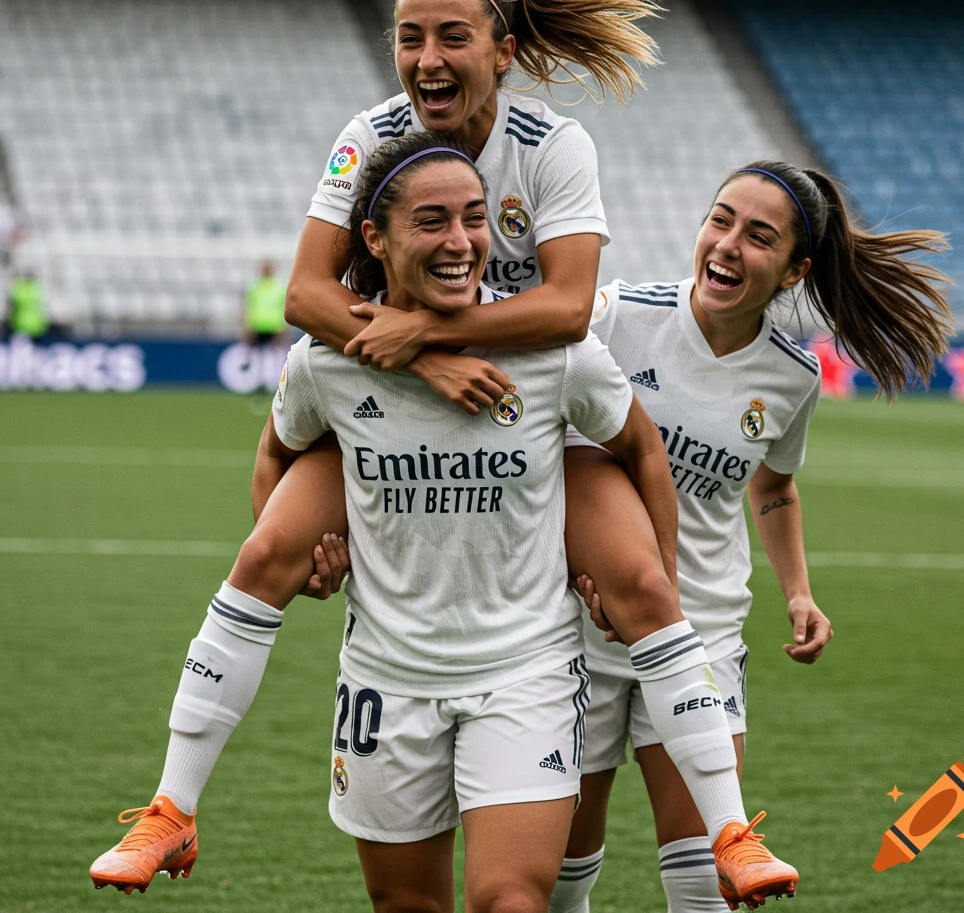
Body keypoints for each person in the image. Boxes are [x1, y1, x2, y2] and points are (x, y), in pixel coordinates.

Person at [89, 0, 796, 908]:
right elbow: (303, 293)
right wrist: (421, 364)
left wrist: (432, 341)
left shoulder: (553, 145)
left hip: (533, 405)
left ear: (501, 51)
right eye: (408, 37)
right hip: (393, 408)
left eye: (451, 37)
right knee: (263, 555)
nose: (425, 58)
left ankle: (727, 828)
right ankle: (169, 808)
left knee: (638, 577)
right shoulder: (369, 136)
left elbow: (563, 302)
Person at [98, 134, 660, 910]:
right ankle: (170, 807)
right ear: (375, 237)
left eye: (473, 218)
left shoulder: (554, 352)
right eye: (431, 221)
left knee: (510, 902)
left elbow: (639, 447)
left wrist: (653, 576)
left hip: (525, 672)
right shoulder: (326, 363)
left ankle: (730, 828)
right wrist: (317, 567)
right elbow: (274, 453)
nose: (461, 242)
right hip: (387, 682)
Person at [545, 160, 952, 913]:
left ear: (794, 271)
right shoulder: (617, 315)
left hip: (701, 629)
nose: (727, 245)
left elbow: (772, 487)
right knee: (566, 862)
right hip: (582, 626)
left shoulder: (793, 375)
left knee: (708, 876)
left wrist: (799, 590)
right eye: (720, 219)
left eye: (757, 236)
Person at [244, 259, 288, 345]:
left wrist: (284, 328)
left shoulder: (280, 288)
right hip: (257, 328)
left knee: (276, 356)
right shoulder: (254, 287)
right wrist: (247, 327)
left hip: (275, 328)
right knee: (257, 356)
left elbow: (285, 308)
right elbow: (248, 308)